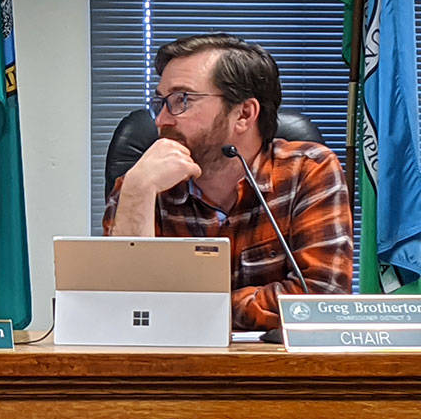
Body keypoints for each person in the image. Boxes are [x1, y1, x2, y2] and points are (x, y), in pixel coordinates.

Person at [103, 33, 352, 332]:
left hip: (275, 362)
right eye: (161, 103)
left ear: (244, 115)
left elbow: (322, 300)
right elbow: (121, 309)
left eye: (182, 100)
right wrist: (138, 192)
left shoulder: (307, 170)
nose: (161, 120)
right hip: (172, 360)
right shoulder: (142, 182)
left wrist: (187, 309)